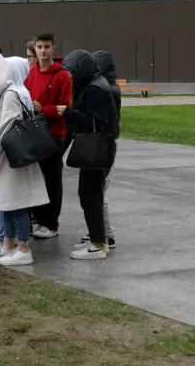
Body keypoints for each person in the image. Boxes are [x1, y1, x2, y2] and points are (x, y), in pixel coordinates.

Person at [0, 52, 50, 266]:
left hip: (10, 158)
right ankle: (9, 244)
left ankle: (23, 248)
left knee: (17, 203)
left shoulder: (9, 94)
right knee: (5, 203)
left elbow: (4, 128)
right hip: (4, 158)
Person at [61, 50, 120, 260]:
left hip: (95, 149)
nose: (70, 77)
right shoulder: (98, 84)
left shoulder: (95, 88)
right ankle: (99, 240)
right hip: (99, 148)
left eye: (71, 72)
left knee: (90, 196)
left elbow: (96, 121)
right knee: (91, 196)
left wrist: (69, 113)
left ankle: (97, 245)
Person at [24, 33, 73, 239]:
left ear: (53, 48)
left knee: (52, 179)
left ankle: (51, 223)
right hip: (35, 132)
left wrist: (43, 109)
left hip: (54, 134)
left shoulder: (63, 75)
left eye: (46, 47)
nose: (42, 51)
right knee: (35, 178)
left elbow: (66, 105)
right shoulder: (32, 71)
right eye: (39, 47)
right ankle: (38, 218)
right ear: (34, 49)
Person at [83, 50, 121, 249]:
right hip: (107, 142)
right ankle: (99, 231)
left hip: (104, 144)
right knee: (98, 192)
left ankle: (106, 233)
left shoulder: (106, 89)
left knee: (99, 193)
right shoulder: (108, 87)